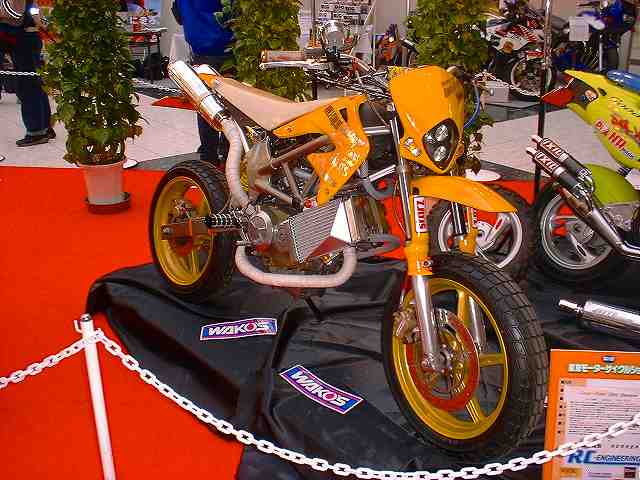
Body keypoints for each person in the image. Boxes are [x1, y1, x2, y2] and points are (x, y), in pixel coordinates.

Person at [176, 0, 232, 164]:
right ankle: (228, 152)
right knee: (230, 105)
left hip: (199, 49)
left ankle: (209, 154)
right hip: (225, 49)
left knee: (206, 105)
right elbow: (231, 13)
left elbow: (178, 14)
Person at [0, 0, 53, 146]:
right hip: (24, 36)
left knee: (28, 84)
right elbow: (34, 13)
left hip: (23, 38)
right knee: (33, 84)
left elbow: (15, 12)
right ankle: (44, 127)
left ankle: (37, 131)